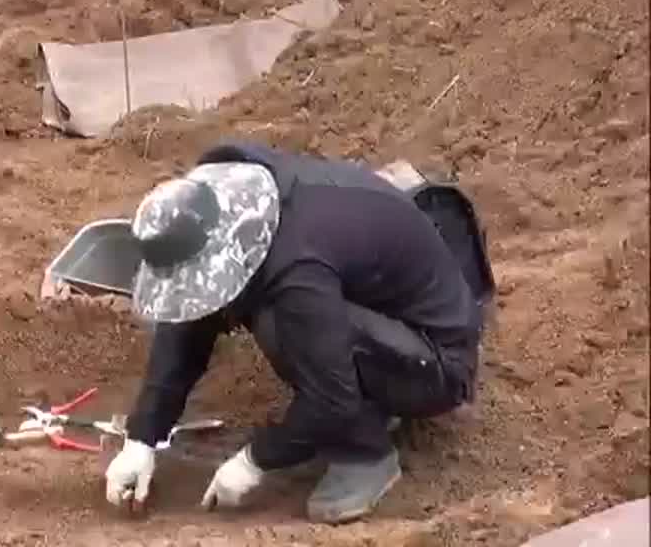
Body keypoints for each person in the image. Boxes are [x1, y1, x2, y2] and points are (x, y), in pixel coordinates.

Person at [102, 140, 484, 526]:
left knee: (280, 324)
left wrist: (255, 461)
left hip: (439, 362)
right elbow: (192, 317)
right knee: (277, 315)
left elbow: (331, 398)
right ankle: (370, 399)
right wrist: (143, 436)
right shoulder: (234, 205)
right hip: (386, 321)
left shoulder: (296, 266)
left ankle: (365, 456)